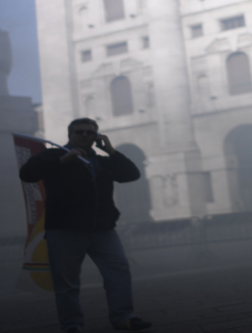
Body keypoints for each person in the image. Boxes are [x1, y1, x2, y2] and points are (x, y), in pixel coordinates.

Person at [19, 118, 152, 332]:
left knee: (119, 272)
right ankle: (72, 324)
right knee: (67, 282)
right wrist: (64, 160)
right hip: (64, 230)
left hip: (102, 229)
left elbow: (131, 174)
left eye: (90, 133)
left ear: (96, 137)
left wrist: (111, 151)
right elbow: (27, 174)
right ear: (70, 135)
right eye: (79, 132)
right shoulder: (54, 156)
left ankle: (124, 317)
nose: (84, 135)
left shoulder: (103, 161)